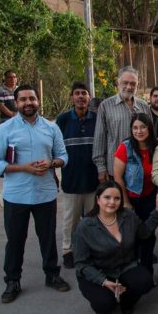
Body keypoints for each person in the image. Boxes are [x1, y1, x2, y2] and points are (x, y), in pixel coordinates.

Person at [0, 84, 71, 303]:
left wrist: (52, 162)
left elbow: (63, 155)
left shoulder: (51, 128)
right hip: (16, 195)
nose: (28, 103)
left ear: (38, 101)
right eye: (23, 99)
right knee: (15, 240)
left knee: (48, 237)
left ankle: (52, 274)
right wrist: (24, 168)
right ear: (16, 103)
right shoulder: (5, 130)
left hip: (45, 194)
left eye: (32, 98)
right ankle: (12, 281)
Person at [72, 181, 158, 314]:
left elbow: (144, 233)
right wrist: (103, 281)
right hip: (98, 272)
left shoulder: (128, 216)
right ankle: (105, 301)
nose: (112, 202)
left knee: (145, 281)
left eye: (117, 198)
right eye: (107, 197)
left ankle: (127, 301)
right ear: (98, 199)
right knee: (104, 305)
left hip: (124, 267)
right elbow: (81, 264)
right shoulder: (85, 226)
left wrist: (157, 211)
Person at [55, 82, 98, 269]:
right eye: (77, 94)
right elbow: (54, 148)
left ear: (89, 98)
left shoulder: (97, 119)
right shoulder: (63, 120)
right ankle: (68, 251)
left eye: (84, 93)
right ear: (71, 98)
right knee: (70, 220)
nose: (81, 97)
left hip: (93, 180)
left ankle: (90, 250)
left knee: (92, 220)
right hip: (71, 181)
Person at [112, 113, 158, 275]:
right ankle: (131, 274)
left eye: (143, 127)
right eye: (135, 128)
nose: (139, 131)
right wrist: (125, 202)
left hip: (150, 197)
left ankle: (147, 273)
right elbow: (117, 177)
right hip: (130, 198)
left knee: (148, 236)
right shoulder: (125, 147)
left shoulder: (157, 145)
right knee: (131, 238)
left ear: (149, 128)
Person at [93, 66, 151, 183]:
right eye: (125, 83)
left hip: (141, 169)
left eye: (133, 84)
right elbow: (100, 138)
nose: (129, 87)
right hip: (115, 169)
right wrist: (101, 168)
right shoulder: (106, 106)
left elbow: (151, 136)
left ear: (137, 85)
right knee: (118, 201)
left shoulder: (144, 106)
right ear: (118, 82)